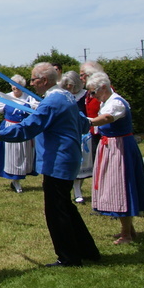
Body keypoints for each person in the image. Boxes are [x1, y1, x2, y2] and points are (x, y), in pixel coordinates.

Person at [0, 62, 100, 267]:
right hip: (67, 157)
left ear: (44, 81)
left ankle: (69, 257)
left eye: (34, 79)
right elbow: (82, 124)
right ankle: (87, 251)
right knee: (66, 207)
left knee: (56, 211)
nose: (32, 84)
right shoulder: (66, 96)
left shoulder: (52, 101)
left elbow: (28, 128)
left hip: (57, 161)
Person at [84, 73, 144, 245]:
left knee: (121, 186)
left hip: (119, 148)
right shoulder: (106, 102)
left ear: (103, 88)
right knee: (114, 185)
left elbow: (107, 118)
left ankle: (126, 234)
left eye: (93, 92)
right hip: (110, 146)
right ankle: (129, 229)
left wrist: (88, 122)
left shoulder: (116, 102)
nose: (92, 96)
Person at [60, 71, 93, 203]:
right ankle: (75, 191)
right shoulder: (63, 96)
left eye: (69, 85)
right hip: (68, 132)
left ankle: (78, 190)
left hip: (84, 134)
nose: (67, 87)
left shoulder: (85, 95)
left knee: (82, 164)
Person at [78, 61, 105, 201]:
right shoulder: (89, 92)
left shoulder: (102, 90)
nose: (80, 78)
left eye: (82, 75)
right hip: (93, 134)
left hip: (102, 134)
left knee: (103, 167)